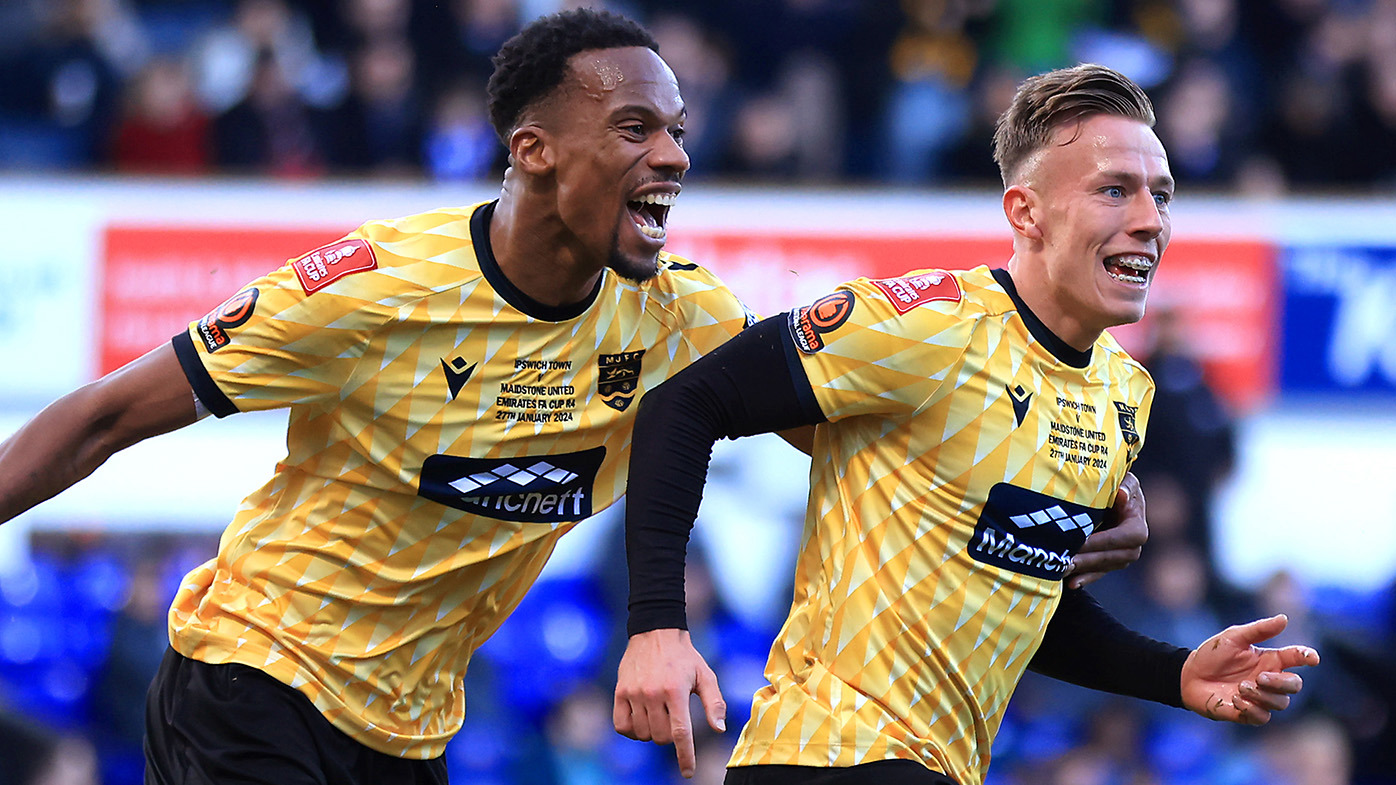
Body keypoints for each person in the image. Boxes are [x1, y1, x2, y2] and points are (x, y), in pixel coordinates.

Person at [0, 9, 751, 784]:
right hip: (255, 680)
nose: (673, 157)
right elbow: (104, 415)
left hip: (411, 732)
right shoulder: (373, 292)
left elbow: (837, 413)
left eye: (679, 132)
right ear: (534, 151)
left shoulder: (678, 319)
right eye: (636, 129)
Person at [612, 63, 1320, 785]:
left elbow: (1026, 595)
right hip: (829, 754)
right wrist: (658, 626)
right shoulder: (928, 326)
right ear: (1025, 212)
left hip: (937, 766)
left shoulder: (1121, 394)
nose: (1150, 218)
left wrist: (1174, 673)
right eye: (1114, 190)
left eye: (1160, 195)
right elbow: (686, 402)